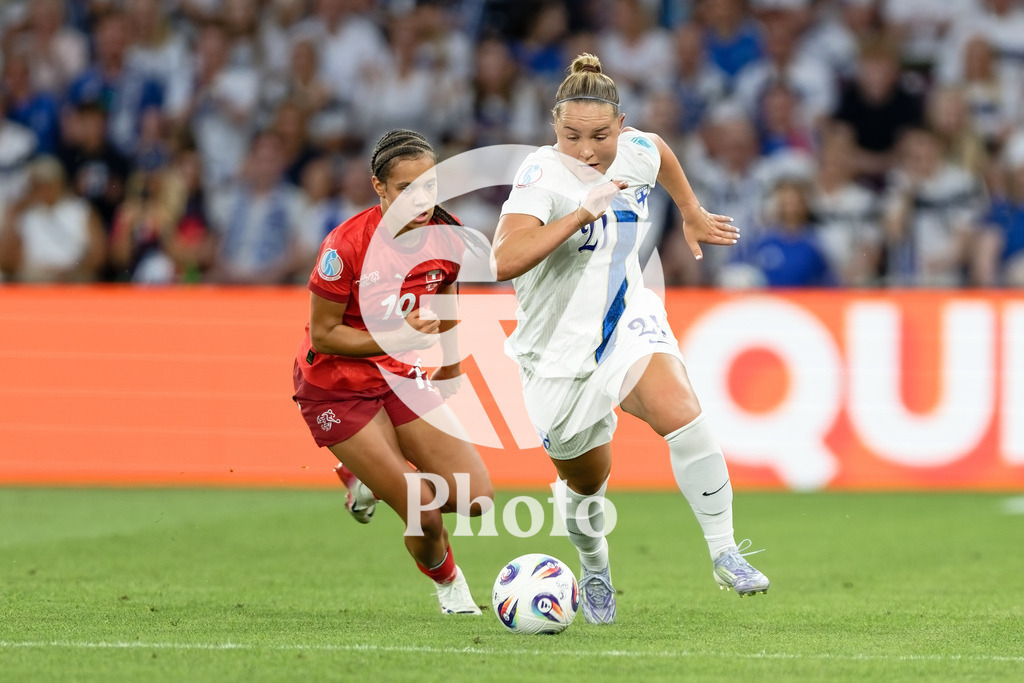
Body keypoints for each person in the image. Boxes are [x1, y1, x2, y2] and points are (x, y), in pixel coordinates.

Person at [492, 53, 770, 625]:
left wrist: (690, 211)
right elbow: (503, 259)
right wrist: (576, 216)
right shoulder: (540, 177)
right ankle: (594, 566)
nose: (587, 150)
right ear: (554, 127)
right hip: (556, 355)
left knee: (684, 414)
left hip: (625, 322)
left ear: (621, 126)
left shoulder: (637, 151)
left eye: (600, 136)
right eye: (572, 136)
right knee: (585, 483)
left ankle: (724, 550)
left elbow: (661, 151)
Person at [292, 129, 493, 615]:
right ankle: (451, 586)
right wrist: (398, 339)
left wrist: (450, 363)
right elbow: (323, 335)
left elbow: (445, 287)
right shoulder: (345, 247)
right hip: (334, 389)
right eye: (406, 188)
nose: (420, 200)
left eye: (429, 186)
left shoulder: (447, 234)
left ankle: (369, 477)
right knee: (423, 511)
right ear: (379, 188)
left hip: (399, 377)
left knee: (476, 500)